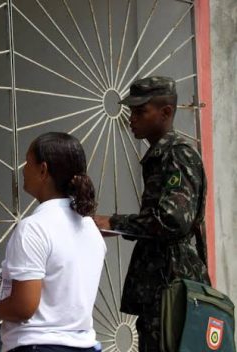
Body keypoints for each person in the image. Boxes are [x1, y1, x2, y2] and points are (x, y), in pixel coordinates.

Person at [93, 76, 210, 352]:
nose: (131, 118)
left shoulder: (177, 154)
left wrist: (116, 222)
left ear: (166, 112)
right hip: (160, 285)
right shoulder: (161, 154)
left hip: (173, 285)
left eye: (140, 111)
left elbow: (172, 220)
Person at [0, 132, 106, 352]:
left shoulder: (34, 227)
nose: (23, 169)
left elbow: (23, 308)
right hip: (85, 345)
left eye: (27, 162)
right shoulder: (90, 227)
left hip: (40, 345)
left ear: (43, 170)